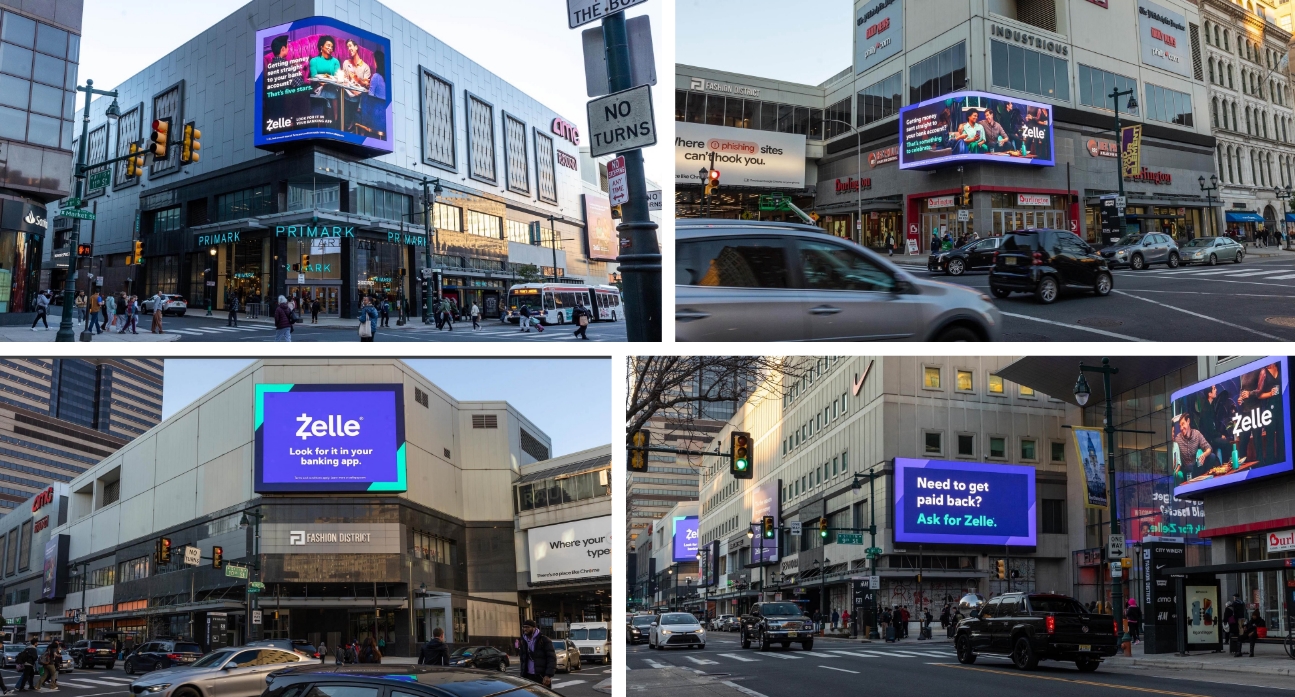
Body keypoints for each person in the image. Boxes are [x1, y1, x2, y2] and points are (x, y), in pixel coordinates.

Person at [340, 39, 372, 134]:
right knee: (345, 124)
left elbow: (366, 85)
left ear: (356, 47)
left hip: (358, 100)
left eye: (350, 46)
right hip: (345, 96)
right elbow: (344, 80)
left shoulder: (365, 67)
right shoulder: (346, 63)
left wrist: (357, 79)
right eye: (347, 47)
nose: (349, 49)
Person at [309, 35, 342, 124]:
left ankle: (335, 122)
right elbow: (314, 76)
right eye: (328, 45)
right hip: (318, 87)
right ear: (321, 47)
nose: (330, 48)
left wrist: (329, 80)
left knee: (334, 95)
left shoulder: (335, 61)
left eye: (332, 46)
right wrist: (321, 81)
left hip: (331, 87)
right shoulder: (314, 61)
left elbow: (337, 76)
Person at [518, 619, 555, 687]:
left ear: (534, 628)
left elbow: (551, 659)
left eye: (528, 627)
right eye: (524, 627)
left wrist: (548, 675)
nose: (525, 629)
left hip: (541, 676)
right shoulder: (523, 640)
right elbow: (522, 659)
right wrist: (522, 674)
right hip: (527, 676)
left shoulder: (544, 640)